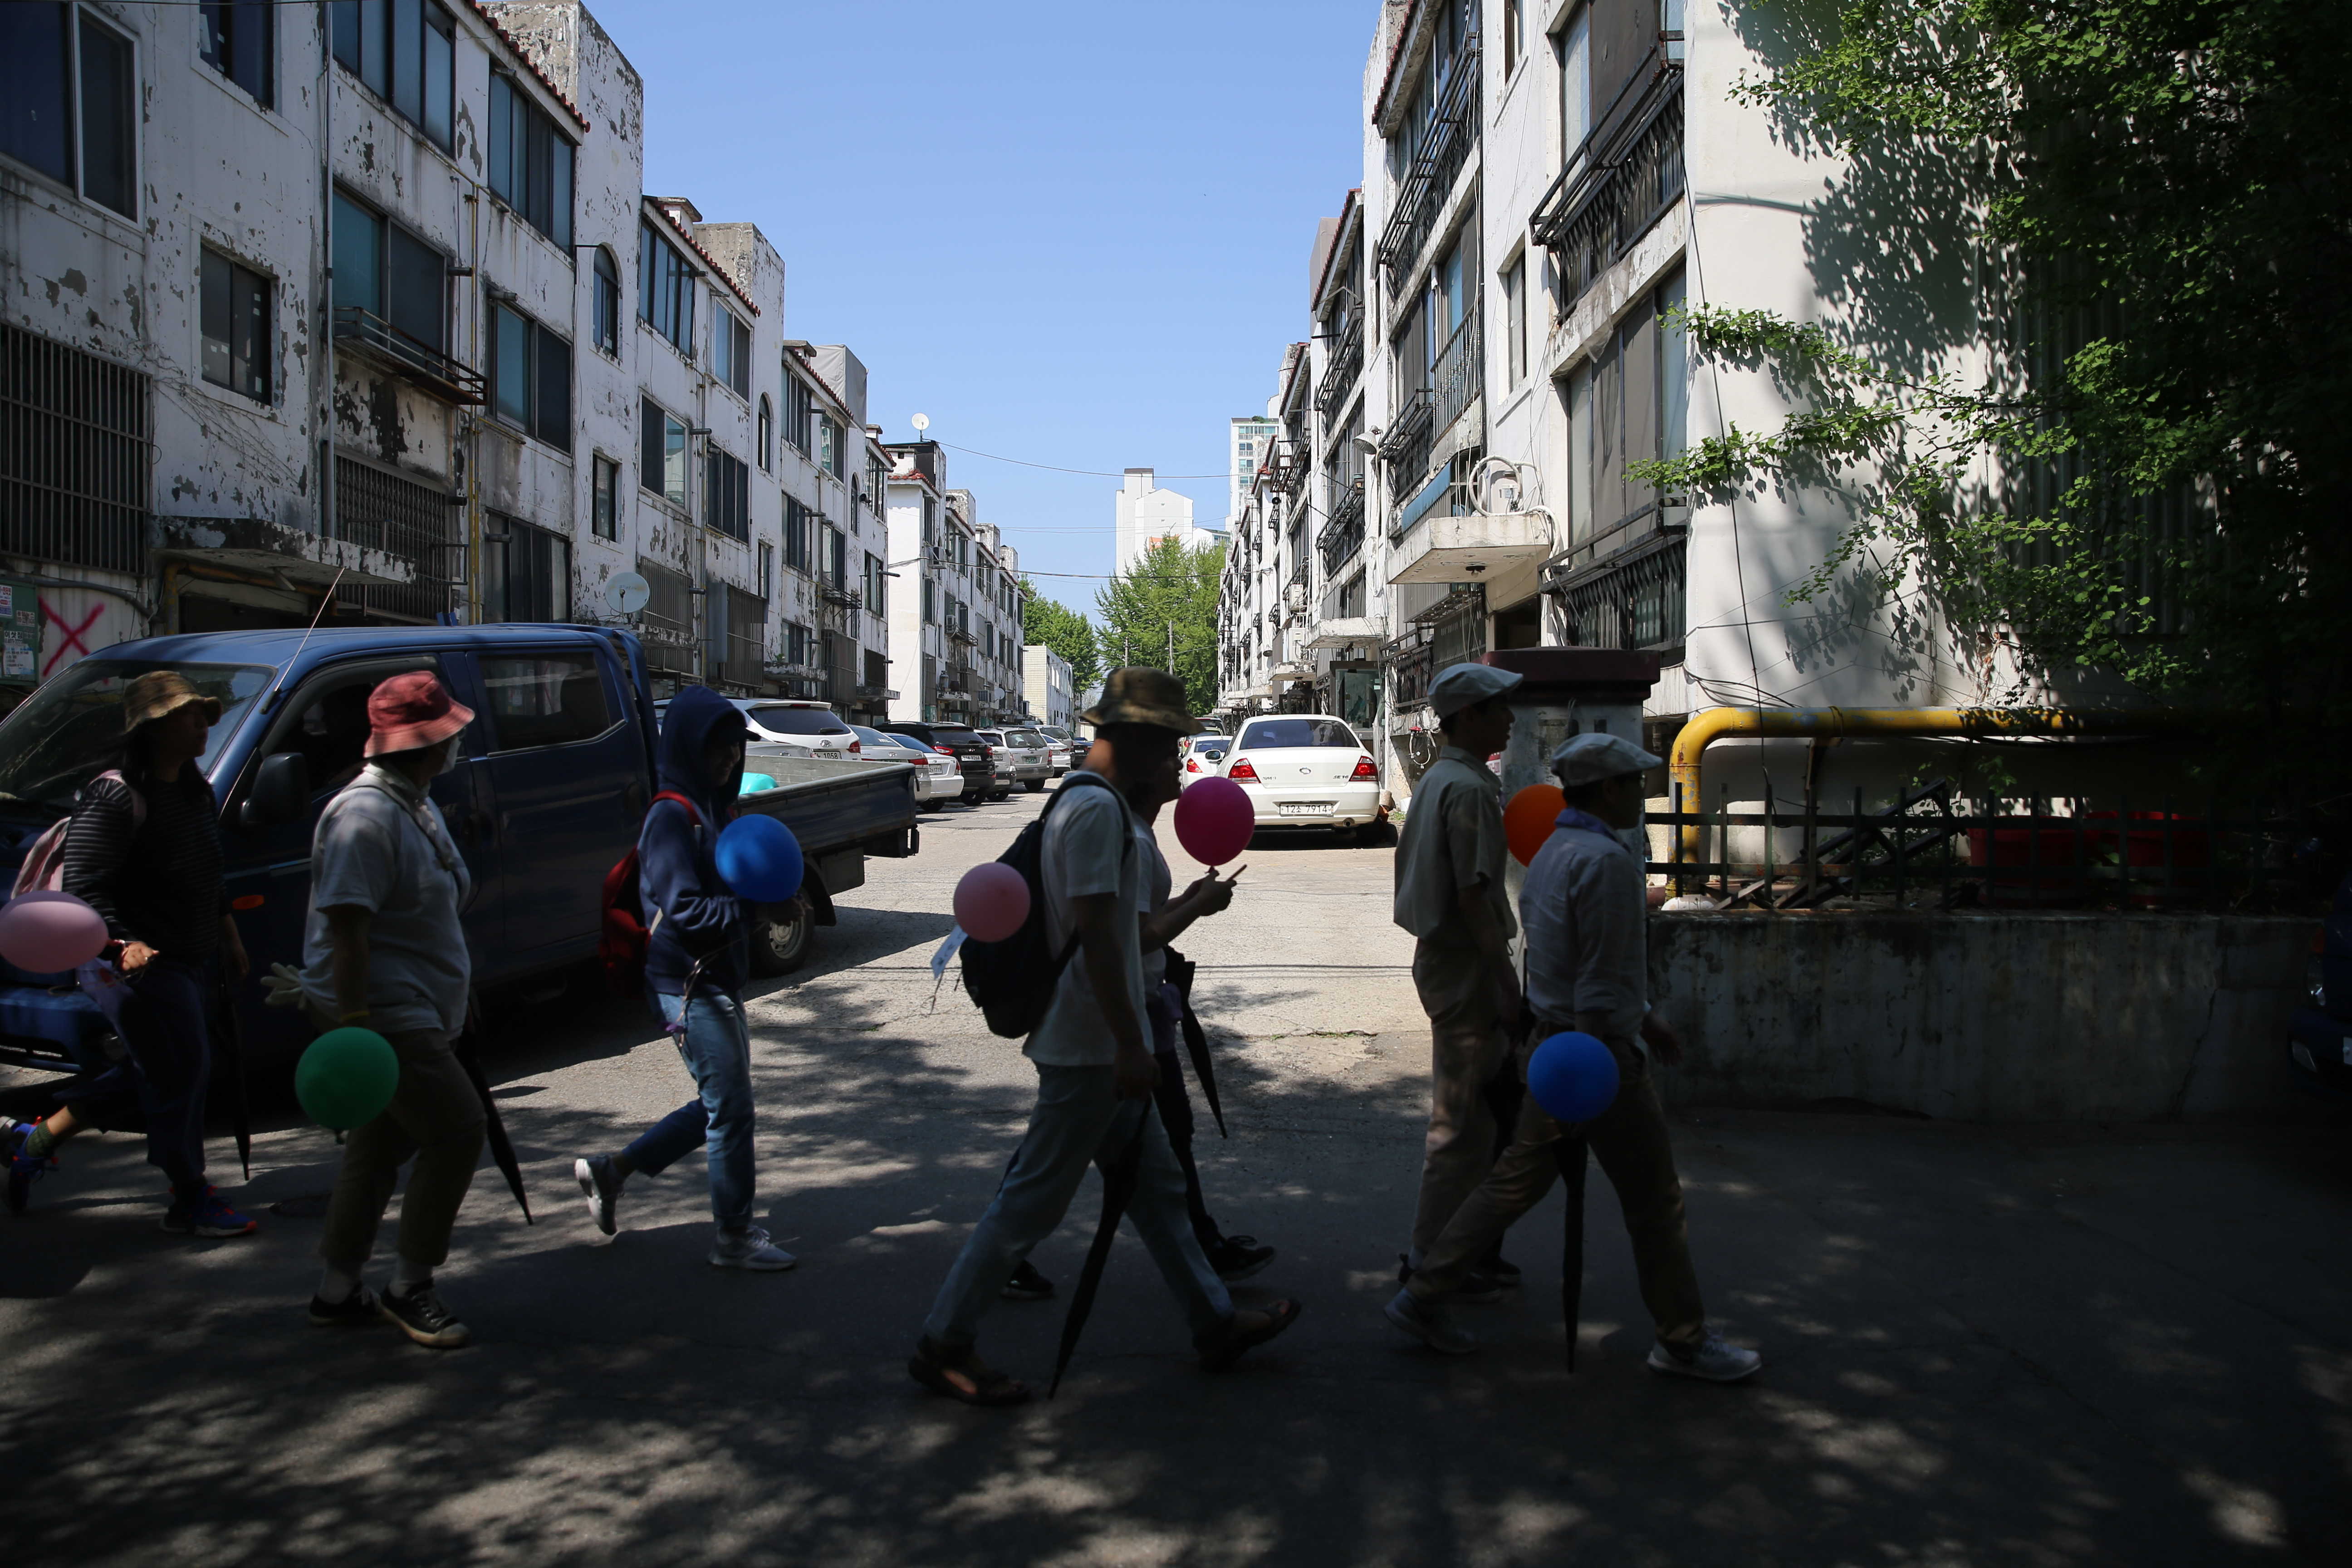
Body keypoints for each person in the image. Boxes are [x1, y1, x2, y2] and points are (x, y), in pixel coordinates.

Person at [910, 668, 1301, 1406]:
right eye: (1170, 745)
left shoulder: (1101, 807)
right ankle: (943, 1342)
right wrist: (1129, 1046)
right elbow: (1097, 942)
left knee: (1157, 1190)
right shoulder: (1094, 812)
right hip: (1090, 1046)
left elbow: (1128, 934)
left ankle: (1214, 1322)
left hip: (1102, 1040)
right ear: (1134, 741)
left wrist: (1189, 908)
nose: (1177, 760)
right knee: (1030, 1203)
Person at [1385, 732, 1763, 1380]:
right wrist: (1605, 1054)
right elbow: (1597, 978)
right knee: (1655, 1203)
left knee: (1512, 1184)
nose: (1640, 794)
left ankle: (1422, 1293)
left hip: (1559, 1045)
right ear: (1608, 790)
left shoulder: (1553, 853)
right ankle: (1683, 1338)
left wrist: (1639, 1019)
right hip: (1597, 1054)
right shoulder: (1607, 860)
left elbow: (1576, 960)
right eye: (1633, 783)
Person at [1000, 759, 1268, 1300]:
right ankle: (983, 1283)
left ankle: (1206, 1277)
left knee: (1144, 1153)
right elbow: (1133, 938)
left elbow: (1136, 920)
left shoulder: (1136, 832)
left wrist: (1188, 900)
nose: (1178, 767)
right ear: (1143, 775)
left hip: (1130, 1013)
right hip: (1119, 1017)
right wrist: (1196, 909)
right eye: (1167, 756)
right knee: (1058, 1161)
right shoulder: (1130, 836)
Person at [3, 672, 255, 1236]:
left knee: (161, 1069)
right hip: (130, 966)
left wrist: (230, 935)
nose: (202, 725)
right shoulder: (115, 795)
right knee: (183, 1068)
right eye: (188, 715)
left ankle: (34, 1140)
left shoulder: (194, 789)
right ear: (154, 727)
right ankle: (189, 1197)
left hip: (189, 956)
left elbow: (208, 870)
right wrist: (123, 944)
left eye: (202, 714)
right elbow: (84, 887)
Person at [572, 686, 794, 1272]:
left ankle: (612, 1172)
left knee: (722, 1103)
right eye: (717, 748)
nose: (729, 758)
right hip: (687, 983)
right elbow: (686, 910)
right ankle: (734, 1236)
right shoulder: (672, 815)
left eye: (734, 748)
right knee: (732, 1107)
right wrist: (752, 909)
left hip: (716, 978)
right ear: (689, 749)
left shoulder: (717, 810)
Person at [297, 671, 487, 1348]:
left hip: (418, 1006)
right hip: (384, 1015)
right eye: (450, 733)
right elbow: (348, 928)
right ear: (427, 742)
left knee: (379, 1148)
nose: (457, 743)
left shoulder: (413, 803)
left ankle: (337, 1288)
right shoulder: (365, 816)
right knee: (458, 1131)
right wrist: (356, 1035)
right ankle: (411, 1285)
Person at [1388, 662, 1525, 1300]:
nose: (1511, 719)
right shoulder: (1466, 789)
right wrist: (1505, 984)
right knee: (1460, 1126)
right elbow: (1473, 897)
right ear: (1469, 717)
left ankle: (1466, 1249)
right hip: (1465, 965)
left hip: (1450, 961)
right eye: (1499, 708)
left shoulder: (1443, 779)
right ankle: (1429, 1262)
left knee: (1485, 1121)